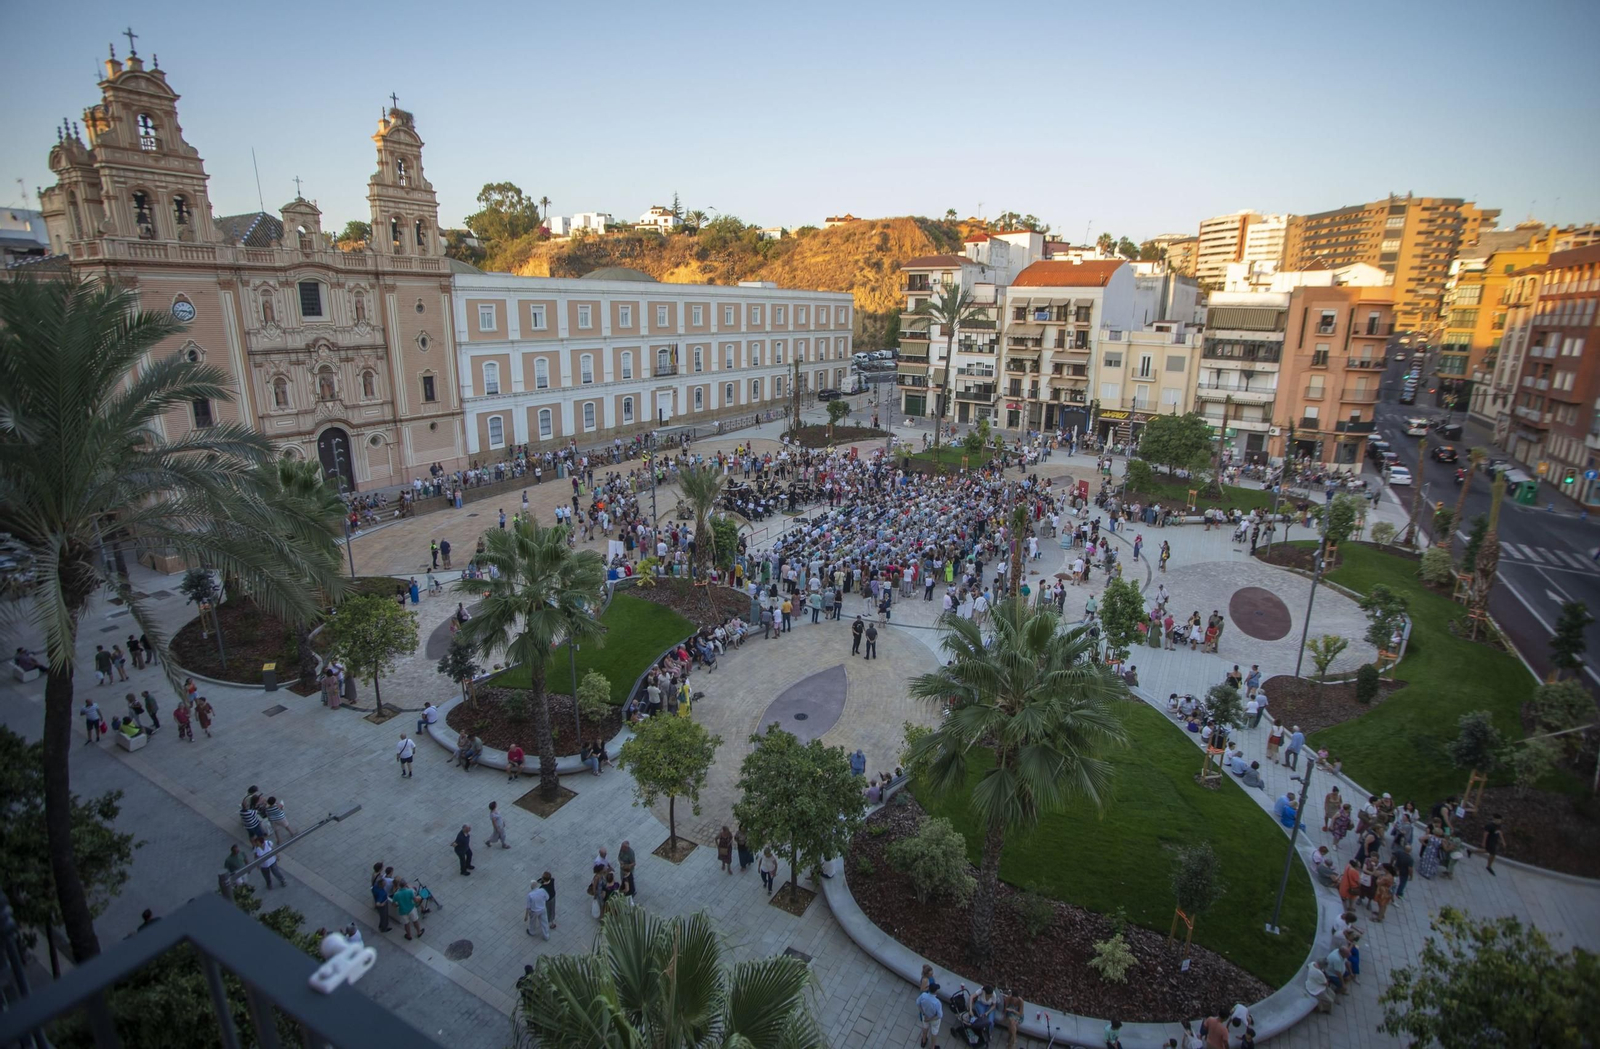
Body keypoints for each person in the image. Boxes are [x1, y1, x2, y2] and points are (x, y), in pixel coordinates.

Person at [917, 983, 943, 1049]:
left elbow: (917, 1003)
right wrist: (930, 1019)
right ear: (935, 991)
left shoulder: (923, 996)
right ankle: (932, 1047)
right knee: (934, 1032)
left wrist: (923, 1012)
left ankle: (923, 1041)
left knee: (925, 1027)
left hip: (925, 1016)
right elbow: (940, 1015)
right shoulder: (937, 1002)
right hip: (934, 1019)